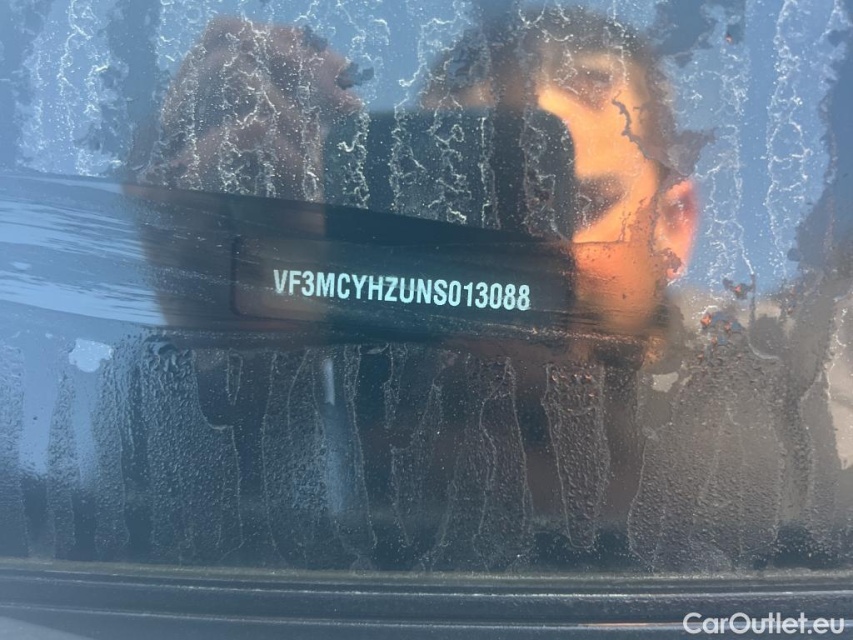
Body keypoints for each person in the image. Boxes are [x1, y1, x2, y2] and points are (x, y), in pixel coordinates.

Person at [118, 5, 847, 572]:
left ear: (672, 225)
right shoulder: (337, 363)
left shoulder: (802, 384)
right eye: (468, 209)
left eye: (569, 204)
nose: (521, 256)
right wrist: (211, 324)